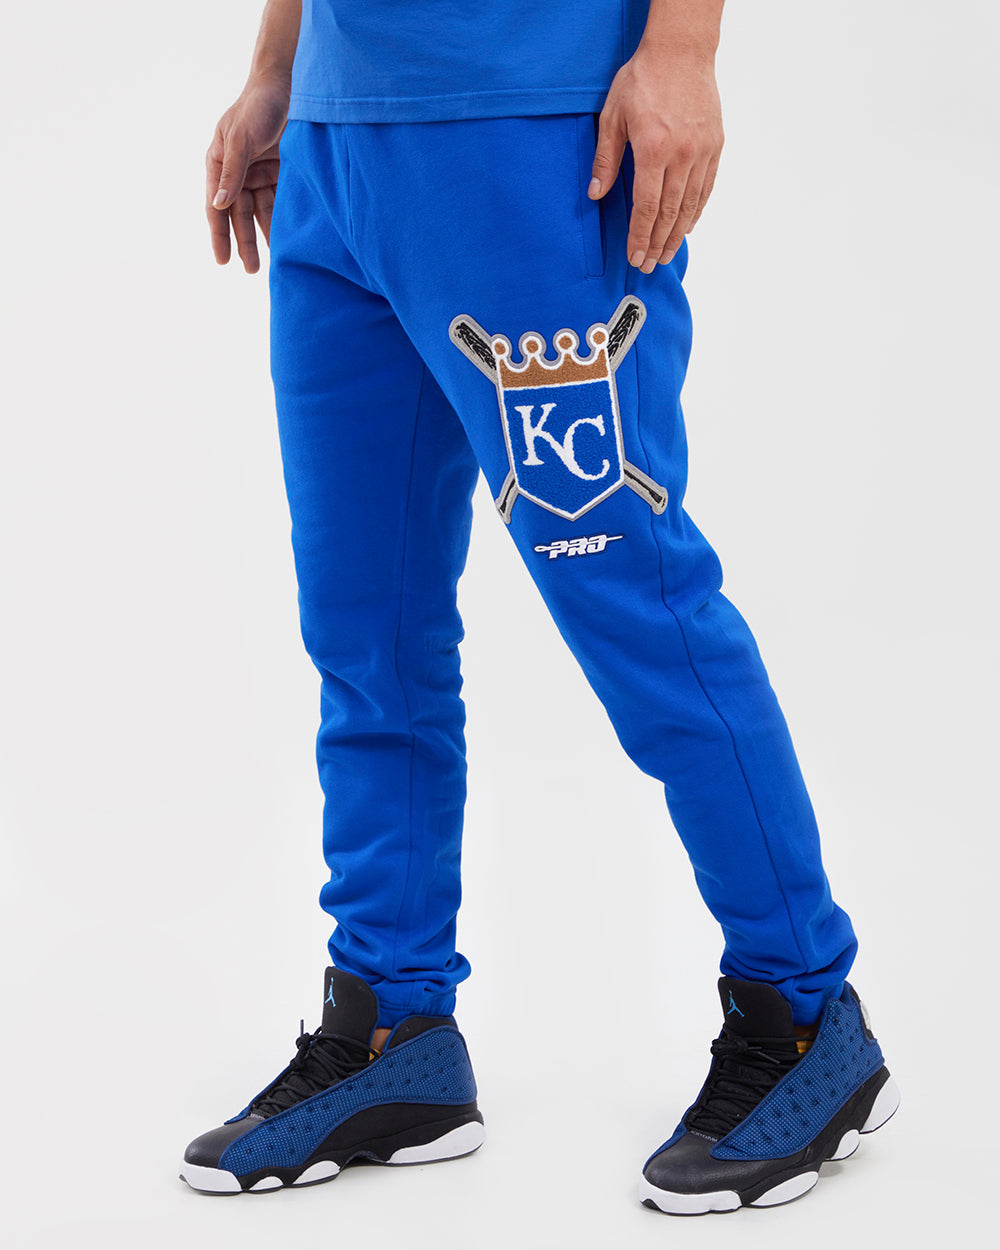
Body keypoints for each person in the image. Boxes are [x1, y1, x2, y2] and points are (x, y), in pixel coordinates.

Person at [180, 0, 898, 1212]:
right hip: (335, 144)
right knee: (365, 630)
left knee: (639, 608)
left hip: (534, 136)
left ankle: (803, 1011)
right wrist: (277, 67)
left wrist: (682, 50)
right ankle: (391, 1028)